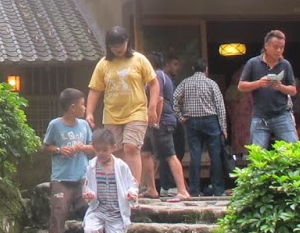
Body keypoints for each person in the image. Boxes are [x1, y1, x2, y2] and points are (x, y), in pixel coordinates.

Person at [86, 27, 159, 202]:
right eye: (114, 46)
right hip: (112, 114)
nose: (118, 48)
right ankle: (120, 186)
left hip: (136, 111)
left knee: (131, 148)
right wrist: (89, 112)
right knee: (116, 151)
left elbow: (154, 83)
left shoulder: (139, 60)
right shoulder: (103, 64)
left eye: (121, 44)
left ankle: (133, 188)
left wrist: (152, 107)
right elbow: (95, 89)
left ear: (127, 42)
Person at [82, 128, 138, 233]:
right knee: (90, 231)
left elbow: (132, 184)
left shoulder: (121, 166)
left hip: (117, 212)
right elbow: (86, 188)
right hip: (98, 209)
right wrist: (89, 195)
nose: (101, 153)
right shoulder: (91, 166)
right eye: (97, 150)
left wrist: (131, 193)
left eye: (104, 150)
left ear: (113, 147)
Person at [42, 88, 94, 233]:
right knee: (58, 214)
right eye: (82, 104)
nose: (84, 108)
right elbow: (46, 146)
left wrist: (82, 148)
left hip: (82, 178)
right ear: (73, 107)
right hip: (61, 179)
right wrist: (59, 150)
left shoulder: (84, 125)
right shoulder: (55, 125)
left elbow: (93, 147)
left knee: (90, 211)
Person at [176, 58, 228, 196]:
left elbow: (174, 99)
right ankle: (218, 190)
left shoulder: (185, 83)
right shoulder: (211, 83)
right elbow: (220, 106)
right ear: (206, 70)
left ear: (193, 69)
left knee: (195, 156)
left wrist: (181, 118)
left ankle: (194, 190)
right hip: (211, 121)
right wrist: (224, 127)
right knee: (215, 156)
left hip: (192, 122)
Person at [238, 30, 298, 148]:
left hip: (282, 114)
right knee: (258, 154)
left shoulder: (285, 64)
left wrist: (281, 87)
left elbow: (293, 90)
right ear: (266, 45)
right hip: (260, 115)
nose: (279, 50)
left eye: (282, 47)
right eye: (276, 47)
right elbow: (241, 86)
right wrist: (259, 83)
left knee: (294, 150)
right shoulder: (253, 63)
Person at [146, 52, 188, 201]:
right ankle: (151, 188)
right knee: (145, 153)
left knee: (169, 155)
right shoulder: (164, 76)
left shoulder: (156, 76)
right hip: (158, 120)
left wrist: (155, 121)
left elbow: (159, 99)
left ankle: (182, 190)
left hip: (161, 120)